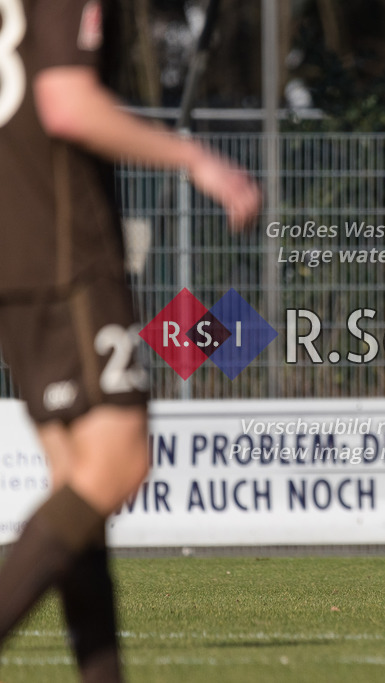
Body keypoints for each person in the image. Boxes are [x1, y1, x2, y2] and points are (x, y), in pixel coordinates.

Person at [0, 1, 261, 681]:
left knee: (76, 482)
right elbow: (66, 103)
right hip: (66, 253)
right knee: (116, 463)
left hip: (14, 248)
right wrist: (195, 157)